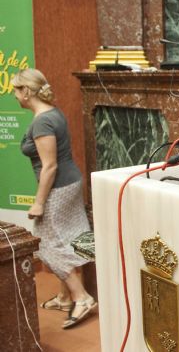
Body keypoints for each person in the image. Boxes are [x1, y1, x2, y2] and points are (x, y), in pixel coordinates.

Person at [11, 69, 97, 329]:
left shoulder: (42, 122)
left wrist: (38, 202)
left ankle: (81, 297)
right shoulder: (52, 112)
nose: (14, 95)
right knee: (68, 237)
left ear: (27, 91)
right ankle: (64, 296)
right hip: (69, 183)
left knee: (48, 244)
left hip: (58, 188)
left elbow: (49, 167)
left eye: (16, 89)